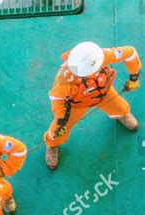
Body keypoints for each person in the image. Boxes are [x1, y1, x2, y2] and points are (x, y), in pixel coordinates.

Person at [44, 41, 141, 169]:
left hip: (104, 93)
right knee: (57, 130)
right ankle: (52, 144)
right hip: (77, 105)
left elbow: (130, 52)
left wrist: (134, 77)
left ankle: (121, 115)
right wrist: (61, 119)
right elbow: (57, 98)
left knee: (121, 108)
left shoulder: (100, 55)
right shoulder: (65, 76)